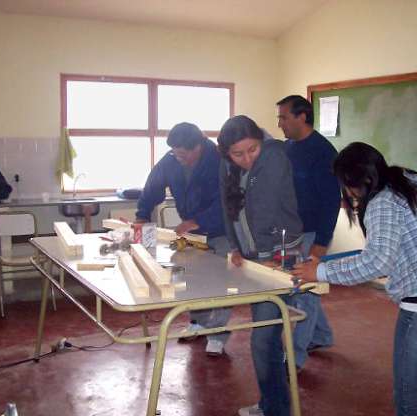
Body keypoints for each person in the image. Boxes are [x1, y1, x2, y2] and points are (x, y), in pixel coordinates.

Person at [292, 142, 417, 416]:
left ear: (356, 181)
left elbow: (376, 262)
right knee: (415, 387)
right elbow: (398, 248)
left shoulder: (382, 201)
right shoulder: (408, 182)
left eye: (345, 184)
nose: (347, 193)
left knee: (408, 396)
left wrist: (319, 272)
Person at [217, 115, 303, 416]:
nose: (246, 159)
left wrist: (267, 256)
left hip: (279, 256)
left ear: (260, 141)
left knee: (264, 339)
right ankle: (275, 404)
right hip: (255, 256)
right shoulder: (227, 164)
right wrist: (234, 247)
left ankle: (276, 409)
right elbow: (229, 208)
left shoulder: (273, 157)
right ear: (226, 152)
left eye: (251, 149)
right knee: (268, 336)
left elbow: (265, 210)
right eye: (237, 154)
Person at [136, 122, 231, 355]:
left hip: (222, 230)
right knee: (189, 278)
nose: (179, 159)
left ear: (198, 146)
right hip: (193, 231)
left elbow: (229, 201)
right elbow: (152, 187)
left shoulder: (219, 160)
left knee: (220, 283)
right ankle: (197, 322)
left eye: (183, 155)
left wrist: (199, 220)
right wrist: (141, 216)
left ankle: (217, 334)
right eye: (175, 154)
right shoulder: (171, 159)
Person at [276, 95, 340, 370]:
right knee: (303, 289)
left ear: (302, 117)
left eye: (283, 117)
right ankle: (322, 335)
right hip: (288, 233)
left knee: (301, 292)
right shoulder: (288, 147)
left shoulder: (323, 152)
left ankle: (295, 357)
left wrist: (321, 245)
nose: (279, 123)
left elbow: (331, 202)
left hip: (310, 235)